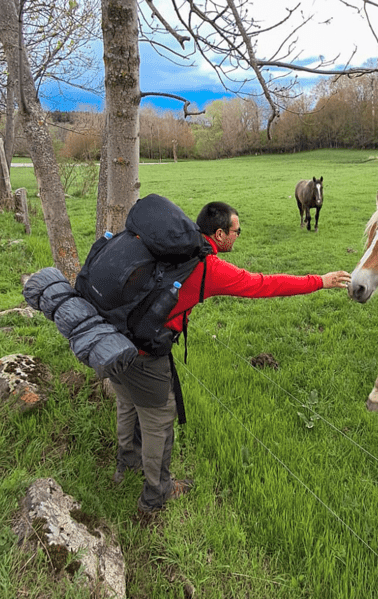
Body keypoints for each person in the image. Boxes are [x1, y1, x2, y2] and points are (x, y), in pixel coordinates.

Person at [109, 200, 351, 515]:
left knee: (126, 402)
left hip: (112, 335)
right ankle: (155, 495)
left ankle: (124, 467)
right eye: (237, 230)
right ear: (220, 234)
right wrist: (319, 281)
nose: (239, 235)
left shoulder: (164, 246)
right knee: (159, 421)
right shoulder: (208, 266)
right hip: (146, 350)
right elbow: (263, 285)